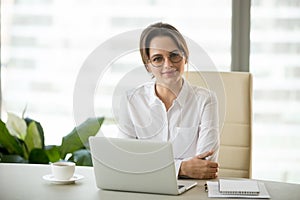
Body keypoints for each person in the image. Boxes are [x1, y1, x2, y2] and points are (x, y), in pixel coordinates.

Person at [117, 22, 219, 179]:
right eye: (158, 59)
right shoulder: (131, 101)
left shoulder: (206, 100)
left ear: (185, 57)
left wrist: (148, 166)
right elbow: (126, 161)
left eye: (174, 55)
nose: (168, 64)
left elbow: (205, 166)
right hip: (143, 190)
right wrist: (181, 168)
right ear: (148, 66)